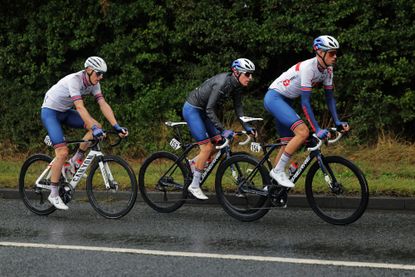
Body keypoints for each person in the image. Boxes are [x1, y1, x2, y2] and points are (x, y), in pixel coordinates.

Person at [41, 56, 128, 210]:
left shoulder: (95, 83)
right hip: (50, 112)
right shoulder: (74, 80)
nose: (100, 77)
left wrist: (116, 126)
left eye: (102, 74)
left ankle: (75, 161)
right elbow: (80, 108)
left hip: (65, 111)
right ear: (88, 70)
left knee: (97, 126)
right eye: (98, 73)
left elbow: (103, 104)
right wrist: (93, 127)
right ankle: (53, 194)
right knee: (61, 152)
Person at [264, 35, 350, 188]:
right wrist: (316, 129)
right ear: (320, 53)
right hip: (274, 98)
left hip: (286, 101)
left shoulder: (328, 70)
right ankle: (277, 171)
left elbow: (330, 99)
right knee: (303, 132)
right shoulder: (308, 68)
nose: (335, 56)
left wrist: (337, 121)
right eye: (331, 53)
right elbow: (305, 103)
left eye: (336, 53)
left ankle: (272, 187)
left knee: (287, 144)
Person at [182, 58, 257, 200]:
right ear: (237, 72)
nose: (250, 78)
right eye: (247, 74)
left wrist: (247, 126)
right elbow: (210, 109)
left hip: (204, 112)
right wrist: (223, 129)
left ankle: (194, 163)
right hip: (193, 110)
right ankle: (194, 185)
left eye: (251, 74)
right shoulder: (222, 83)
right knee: (207, 147)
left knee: (219, 141)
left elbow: (238, 108)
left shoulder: (236, 86)